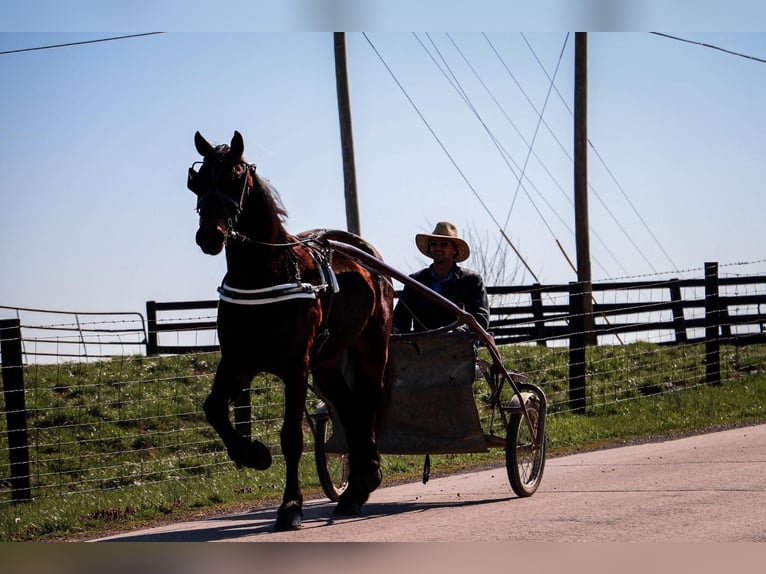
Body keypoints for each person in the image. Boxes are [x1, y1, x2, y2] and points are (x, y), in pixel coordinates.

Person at [392, 221, 490, 335]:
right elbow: (400, 317)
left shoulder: (471, 280)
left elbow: (481, 319)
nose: (438, 248)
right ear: (430, 248)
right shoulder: (415, 281)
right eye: (433, 244)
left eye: (444, 244)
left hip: (459, 348)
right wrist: (396, 328)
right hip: (421, 348)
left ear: (455, 250)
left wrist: (456, 332)